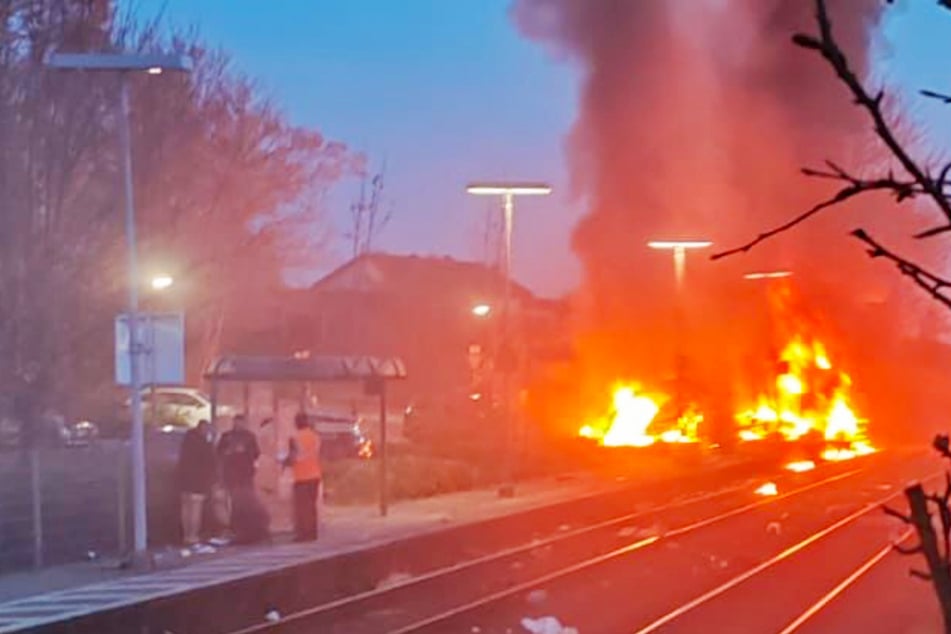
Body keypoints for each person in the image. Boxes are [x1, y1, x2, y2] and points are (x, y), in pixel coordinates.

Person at [217, 414, 268, 542]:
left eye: (241, 422)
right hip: (231, 474)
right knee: (234, 502)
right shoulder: (227, 436)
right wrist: (229, 452)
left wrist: (245, 452)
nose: (238, 425)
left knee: (246, 501)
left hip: (245, 474)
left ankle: (246, 528)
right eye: (237, 422)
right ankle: (235, 528)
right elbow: (218, 452)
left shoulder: (249, 437)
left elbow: (256, 453)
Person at [176, 420, 217, 546]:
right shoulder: (204, 444)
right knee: (195, 509)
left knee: (185, 508)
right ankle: (193, 536)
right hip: (198, 481)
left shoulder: (186, 443)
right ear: (204, 429)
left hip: (184, 480)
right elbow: (211, 461)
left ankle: (186, 535)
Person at [284, 412, 322, 542]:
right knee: (311, 507)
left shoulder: (294, 438)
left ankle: (303, 535)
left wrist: (283, 461)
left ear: (296, 423)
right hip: (315, 475)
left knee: (302, 508)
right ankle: (312, 533)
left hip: (301, 477)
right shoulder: (315, 437)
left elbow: (293, 458)